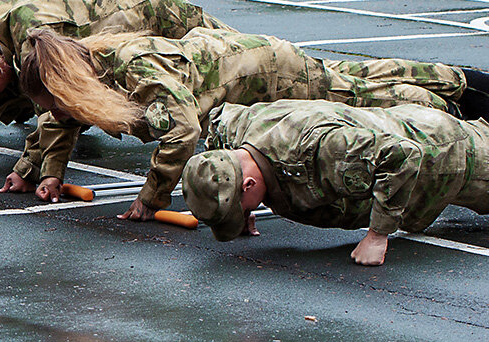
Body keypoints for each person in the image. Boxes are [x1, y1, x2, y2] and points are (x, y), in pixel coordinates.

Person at [15, 27, 470, 214]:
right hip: (239, 76)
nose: (53, 113)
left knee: (359, 96)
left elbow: (183, 130)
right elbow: (63, 119)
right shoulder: (85, 74)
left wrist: (151, 199)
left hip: (267, 74)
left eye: (55, 102)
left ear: (68, 85)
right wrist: (49, 173)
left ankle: (456, 91)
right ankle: (453, 88)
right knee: (352, 81)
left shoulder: (137, 68)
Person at [0, 0, 232, 180]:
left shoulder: (34, 37)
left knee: (227, 58)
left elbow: (56, 109)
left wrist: (33, 170)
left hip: (144, 7)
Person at [182, 100, 489, 266]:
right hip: (400, 129)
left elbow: (402, 156)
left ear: (248, 185)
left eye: (240, 205)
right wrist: (238, 204)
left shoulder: (317, 150)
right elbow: (220, 120)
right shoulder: (236, 138)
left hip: (445, 155)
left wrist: (378, 235)